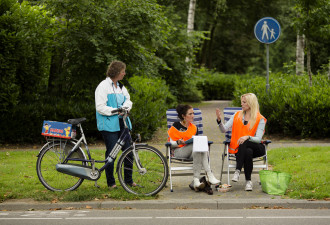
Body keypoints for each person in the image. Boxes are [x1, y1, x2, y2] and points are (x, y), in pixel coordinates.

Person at [95, 60, 136, 189]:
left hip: (122, 123)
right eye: (123, 71)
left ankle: (128, 181)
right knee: (112, 153)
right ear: (117, 72)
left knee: (129, 152)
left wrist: (125, 108)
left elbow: (129, 101)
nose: (124, 73)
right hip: (109, 124)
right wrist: (115, 111)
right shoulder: (103, 86)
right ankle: (111, 183)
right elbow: (100, 107)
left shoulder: (121, 87)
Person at [216, 93, 266, 191]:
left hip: (257, 147)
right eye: (241, 102)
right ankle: (248, 182)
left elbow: (258, 139)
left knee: (245, 142)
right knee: (248, 152)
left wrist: (247, 137)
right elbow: (224, 129)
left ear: (251, 103)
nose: (241, 104)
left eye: (244, 102)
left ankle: (237, 170)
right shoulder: (236, 115)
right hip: (241, 149)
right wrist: (219, 120)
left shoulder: (260, 118)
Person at [168, 104, 220, 191]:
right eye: (190, 114)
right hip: (178, 151)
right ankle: (209, 175)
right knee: (197, 146)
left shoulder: (194, 128)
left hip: (192, 153)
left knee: (200, 149)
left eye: (193, 113)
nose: (193, 116)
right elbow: (170, 144)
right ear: (183, 116)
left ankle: (196, 180)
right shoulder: (176, 125)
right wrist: (178, 142)